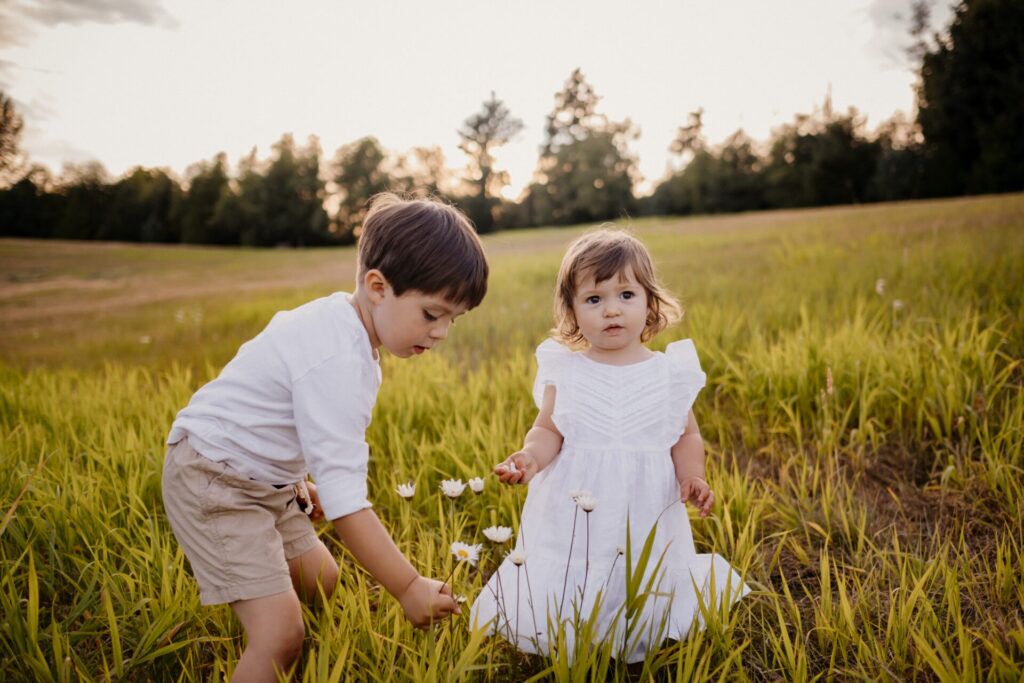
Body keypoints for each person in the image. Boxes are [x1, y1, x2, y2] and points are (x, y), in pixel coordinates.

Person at [162, 193, 488, 682]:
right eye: (432, 314)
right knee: (280, 636)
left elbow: (282, 423)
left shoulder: (346, 329)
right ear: (378, 286)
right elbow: (347, 503)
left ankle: (305, 651)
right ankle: (271, 647)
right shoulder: (336, 357)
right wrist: (408, 586)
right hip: (215, 479)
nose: (441, 333)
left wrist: (294, 480)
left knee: (321, 579)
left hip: (262, 477)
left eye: (452, 320)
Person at [472, 228, 748, 662]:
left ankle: (642, 623)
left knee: (641, 569)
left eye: (625, 294)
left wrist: (692, 475)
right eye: (594, 299)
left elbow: (686, 434)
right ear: (573, 311)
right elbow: (547, 430)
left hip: (647, 502)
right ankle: (575, 628)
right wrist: (529, 458)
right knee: (578, 567)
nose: (611, 310)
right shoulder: (566, 370)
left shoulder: (667, 374)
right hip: (577, 504)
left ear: (649, 301)